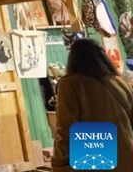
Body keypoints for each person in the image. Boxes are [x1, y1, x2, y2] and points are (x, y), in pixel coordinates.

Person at [52, 38, 133, 171]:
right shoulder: (120, 83)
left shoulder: (70, 84)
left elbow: (66, 127)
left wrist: (59, 163)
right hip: (127, 159)